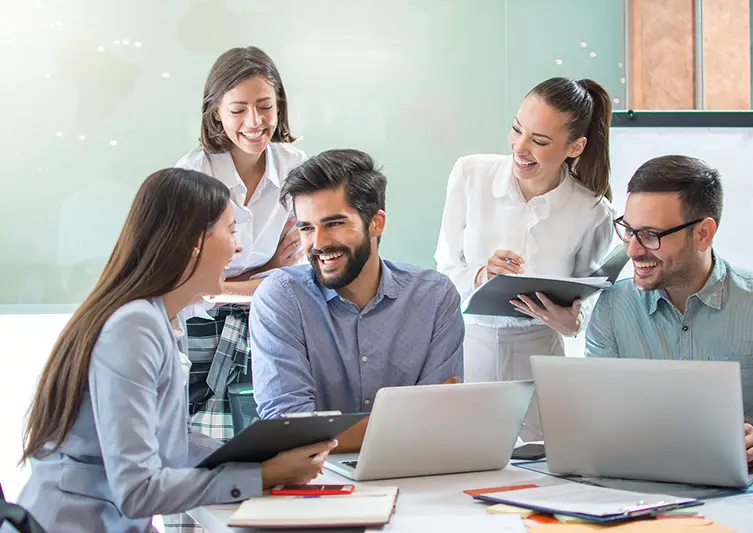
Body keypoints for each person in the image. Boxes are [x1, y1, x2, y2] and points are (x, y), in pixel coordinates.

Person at [12, 168, 336, 533]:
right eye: (231, 231)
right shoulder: (133, 327)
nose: (238, 247)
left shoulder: (162, 320)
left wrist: (260, 456)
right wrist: (260, 475)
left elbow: (174, 441)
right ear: (195, 241)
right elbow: (137, 491)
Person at [585, 155, 753, 477]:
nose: (633, 250)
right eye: (629, 231)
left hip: (751, 500)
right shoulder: (614, 306)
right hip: (640, 487)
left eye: (651, 235)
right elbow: (595, 414)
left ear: (703, 234)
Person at [434, 77, 615, 440]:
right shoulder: (471, 174)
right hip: (467, 345)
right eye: (517, 129)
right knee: (462, 462)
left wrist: (571, 322)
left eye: (540, 141)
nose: (520, 147)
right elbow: (444, 271)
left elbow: (589, 304)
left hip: (540, 354)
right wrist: (483, 274)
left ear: (576, 147)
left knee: (545, 469)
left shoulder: (593, 211)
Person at [250, 149, 465, 452]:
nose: (318, 243)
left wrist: (324, 432)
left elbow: (440, 422)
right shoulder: (281, 297)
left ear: (376, 223)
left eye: (335, 224)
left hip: (414, 476)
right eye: (307, 228)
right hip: (314, 484)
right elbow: (288, 430)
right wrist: (409, 423)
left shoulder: (434, 296)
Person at [174, 46, 307, 446]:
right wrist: (257, 278)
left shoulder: (295, 166)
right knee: (193, 454)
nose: (255, 122)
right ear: (215, 112)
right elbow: (186, 282)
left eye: (266, 106)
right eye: (238, 110)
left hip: (265, 325)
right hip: (196, 328)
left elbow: (295, 272)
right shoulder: (195, 174)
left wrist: (230, 282)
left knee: (261, 448)